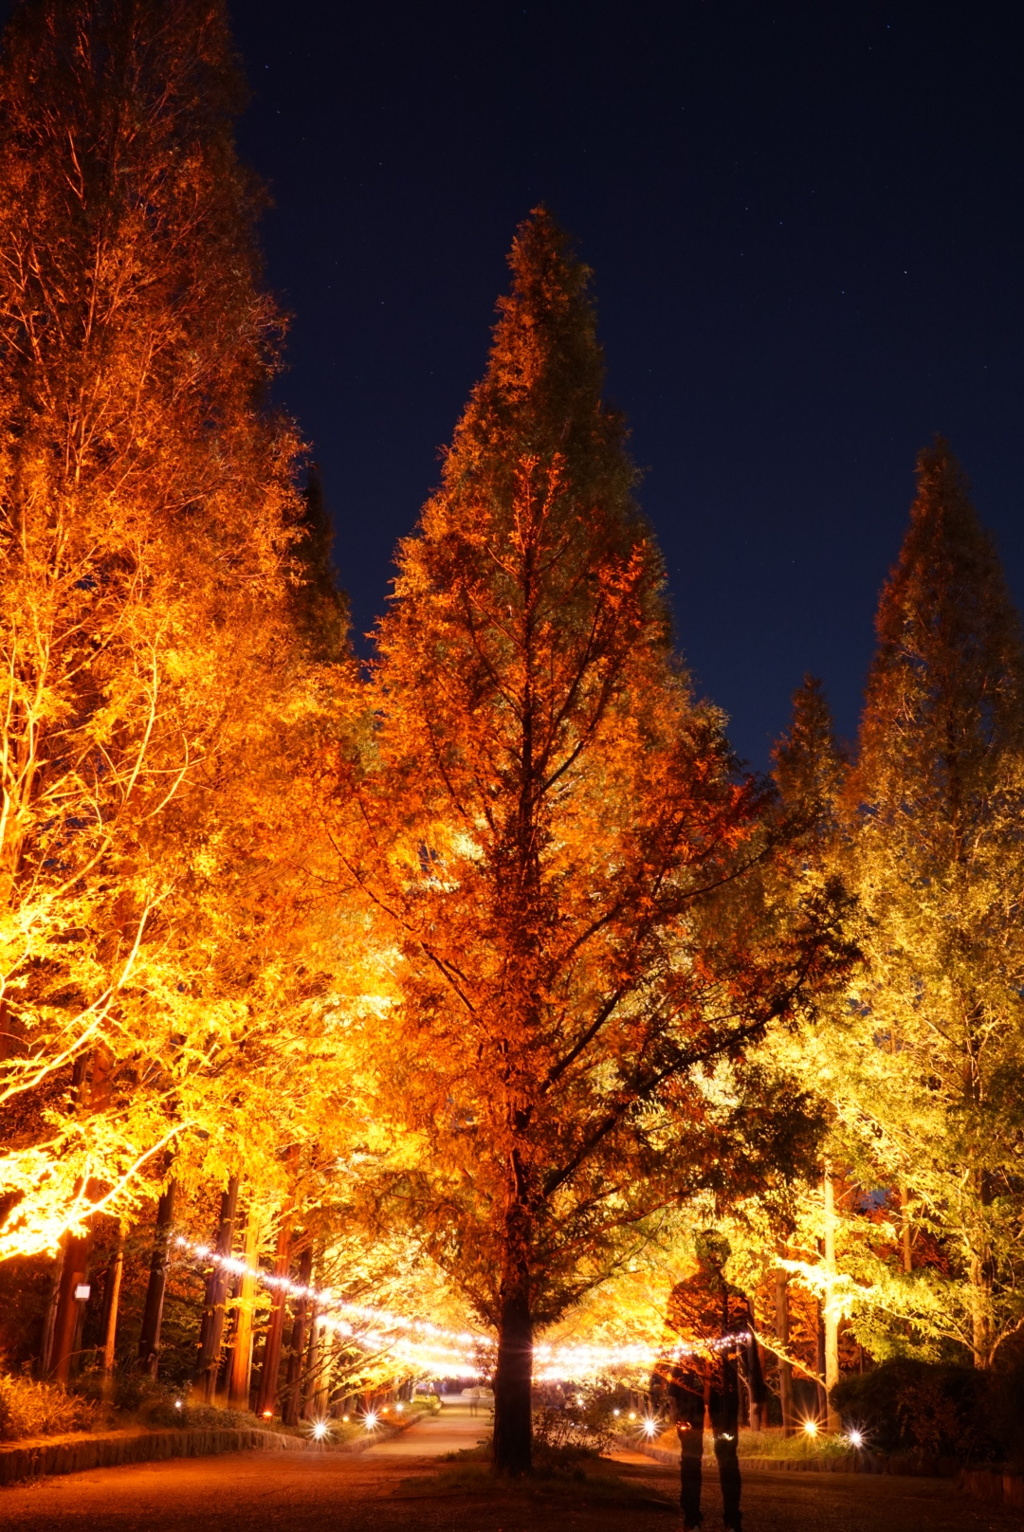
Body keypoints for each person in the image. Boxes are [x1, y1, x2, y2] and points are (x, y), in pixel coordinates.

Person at [653, 1230, 765, 1532]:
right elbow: (748, 1344)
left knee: (691, 1454)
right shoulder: (734, 1295)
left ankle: (692, 1518)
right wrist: (757, 1386)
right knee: (726, 1453)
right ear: (722, 1257)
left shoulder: (683, 1292)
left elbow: (668, 1340)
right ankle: (730, 1518)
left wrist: (658, 1378)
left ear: (699, 1255)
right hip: (721, 1387)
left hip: (689, 1383)